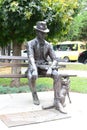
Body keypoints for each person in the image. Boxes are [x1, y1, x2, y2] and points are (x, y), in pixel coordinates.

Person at [26, 21, 66, 113]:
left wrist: (50, 68)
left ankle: (57, 101)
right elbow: (30, 57)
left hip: (44, 67)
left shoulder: (48, 45)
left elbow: (55, 59)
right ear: (37, 32)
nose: (44, 35)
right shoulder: (30, 43)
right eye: (42, 33)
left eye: (45, 33)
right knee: (32, 75)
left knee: (57, 75)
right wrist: (34, 69)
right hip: (33, 66)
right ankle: (34, 93)